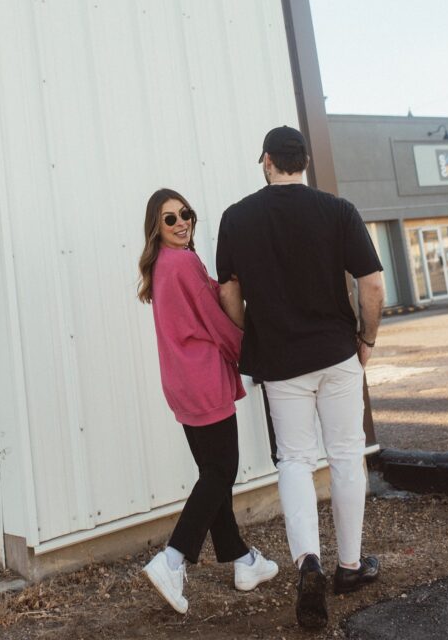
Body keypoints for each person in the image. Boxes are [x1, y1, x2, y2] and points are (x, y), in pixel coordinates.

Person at [216, 127, 385, 632]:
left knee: (293, 458)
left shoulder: (237, 217)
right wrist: (366, 339)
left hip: (281, 362)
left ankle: (307, 561)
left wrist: (257, 326)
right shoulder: (338, 211)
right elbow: (372, 284)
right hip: (336, 353)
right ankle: (350, 567)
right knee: (346, 455)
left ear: (267, 161)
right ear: (305, 162)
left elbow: (228, 293)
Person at [138, 188, 278, 615]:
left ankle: (242, 561)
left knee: (211, 473)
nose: (182, 222)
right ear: (155, 229)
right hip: (204, 382)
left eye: (186, 214)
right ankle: (173, 558)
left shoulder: (162, 266)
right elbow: (216, 319)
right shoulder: (183, 262)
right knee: (221, 472)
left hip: (181, 385)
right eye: (170, 218)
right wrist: (251, 354)